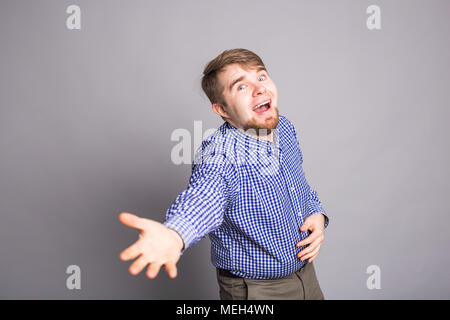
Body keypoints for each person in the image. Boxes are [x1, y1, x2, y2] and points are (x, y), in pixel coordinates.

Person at [119, 48, 329, 300]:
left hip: (306, 277)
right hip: (256, 291)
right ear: (223, 110)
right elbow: (204, 199)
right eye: (241, 87)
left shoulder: (283, 126)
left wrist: (315, 213)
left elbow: (297, 184)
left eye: (261, 77)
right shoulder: (220, 157)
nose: (259, 89)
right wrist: (175, 235)